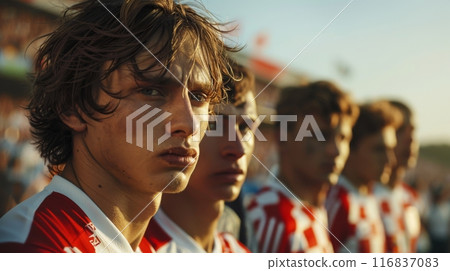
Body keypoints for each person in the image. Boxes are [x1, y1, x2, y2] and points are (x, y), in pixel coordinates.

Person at [0, 0, 235, 252]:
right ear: (73, 107)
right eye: (151, 90)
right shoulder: (29, 248)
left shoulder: (159, 252)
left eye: (198, 97)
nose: (188, 124)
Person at [143, 62, 256, 253]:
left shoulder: (242, 254)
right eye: (214, 124)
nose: (237, 149)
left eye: (245, 127)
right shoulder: (132, 249)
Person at [245, 81, 359, 252]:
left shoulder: (313, 209)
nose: (335, 150)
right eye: (319, 135)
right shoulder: (270, 219)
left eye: (343, 138)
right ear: (282, 137)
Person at [326, 100, 402, 252]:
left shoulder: (368, 197)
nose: (390, 160)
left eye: (391, 149)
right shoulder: (338, 203)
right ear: (350, 150)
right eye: (379, 150)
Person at [373, 100, 421, 252]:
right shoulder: (362, 197)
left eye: (413, 131)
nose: (411, 139)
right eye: (400, 130)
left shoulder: (410, 196)